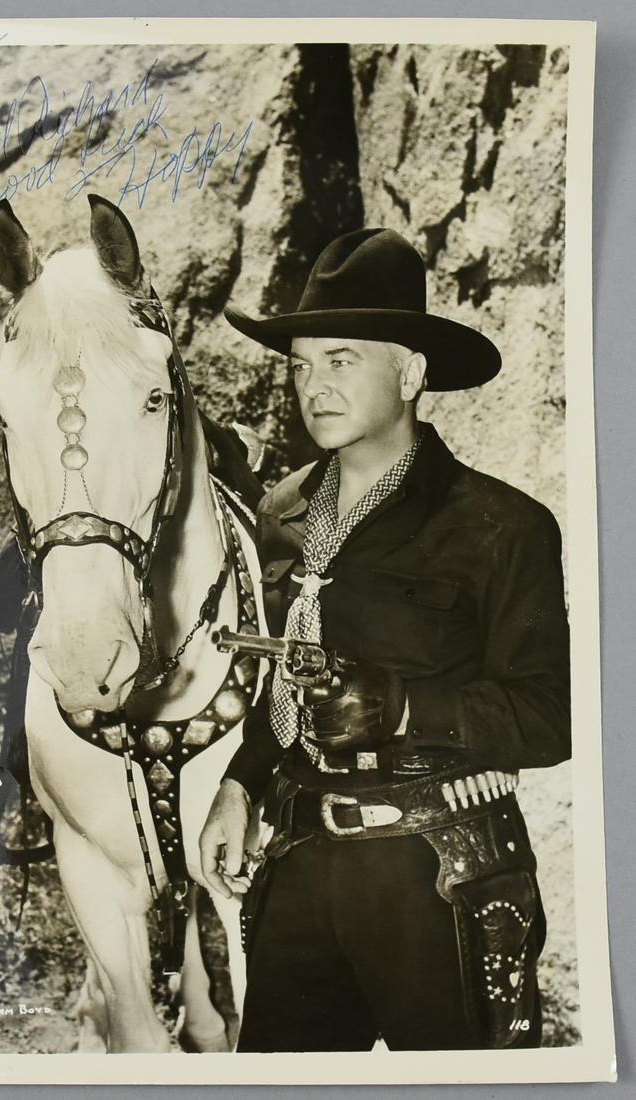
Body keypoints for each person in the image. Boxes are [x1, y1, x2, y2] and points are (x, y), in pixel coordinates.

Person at [198, 227, 571, 1052]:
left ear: (410, 373)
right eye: (300, 364)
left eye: (340, 360)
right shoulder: (282, 514)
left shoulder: (499, 526)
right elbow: (282, 684)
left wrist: (404, 707)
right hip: (297, 864)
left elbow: (550, 717)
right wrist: (240, 786)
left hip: (438, 874)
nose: (312, 386)